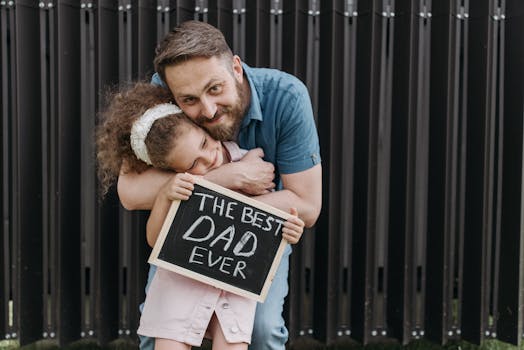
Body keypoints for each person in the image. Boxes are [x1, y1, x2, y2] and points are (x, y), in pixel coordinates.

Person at [117, 20, 322, 350]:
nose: (208, 110)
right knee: (157, 332)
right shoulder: (162, 95)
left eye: (215, 89)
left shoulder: (286, 96)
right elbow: (129, 193)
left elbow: (307, 206)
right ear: (172, 95)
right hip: (189, 235)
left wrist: (209, 193)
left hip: (259, 236)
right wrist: (224, 180)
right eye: (189, 100)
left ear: (236, 68)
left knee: (262, 330)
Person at [96, 81, 306, 350]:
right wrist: (165, 195)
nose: (210, 159)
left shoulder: (248, 162)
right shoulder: (178, 186)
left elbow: (268, 221)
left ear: (202, 128)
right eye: (195, 164)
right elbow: (154, 239)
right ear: (171, 170)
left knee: (232, 341)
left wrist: (289, 230)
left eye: (205, 143)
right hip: (183, 277)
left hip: (235, 278)